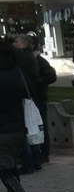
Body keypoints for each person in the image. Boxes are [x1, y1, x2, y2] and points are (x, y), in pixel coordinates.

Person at [0, 36, 37, 192]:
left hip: (2, 131)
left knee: (3, 170)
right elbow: (28, 91)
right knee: (11, 166)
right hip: (18, 128)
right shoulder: (17, 72)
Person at [15, 32, 56, 165]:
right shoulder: (22, 60)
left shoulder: (39, 61)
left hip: (38, 98)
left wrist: (37, 82)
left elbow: (51, 77)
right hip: (29, 98)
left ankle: (44, 152)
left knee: (41, 125)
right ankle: (34, 153)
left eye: (18, 43)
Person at [14, 33, 43, 173]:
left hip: (25, 97)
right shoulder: (30, 57)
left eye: (17, 42)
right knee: (31, 128)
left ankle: (29, 162)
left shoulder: (21, 58)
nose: (14, 44)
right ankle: (36, 160)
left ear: (24, 44)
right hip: (31, 96)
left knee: (26, 130)